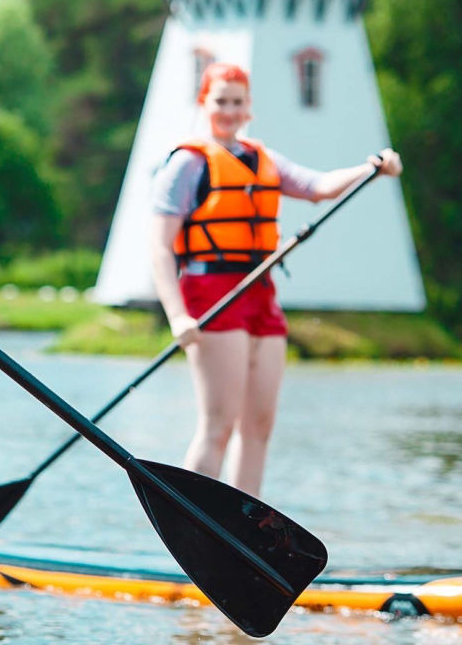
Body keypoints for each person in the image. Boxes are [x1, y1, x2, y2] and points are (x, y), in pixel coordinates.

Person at [149, 62, 401, 498]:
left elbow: (319, 186)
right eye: (220, 101)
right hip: (212, 295)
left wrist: (370, 170)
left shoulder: (262, 158)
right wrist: (177, 315)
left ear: (249, 108)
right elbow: (160, 248)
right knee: (218, 426)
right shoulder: (187, 164)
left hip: (261, 294)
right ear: (204, 103)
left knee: (259, 425)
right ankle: (193, 521)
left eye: (237, 102)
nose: (229, 110)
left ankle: (244, 527)